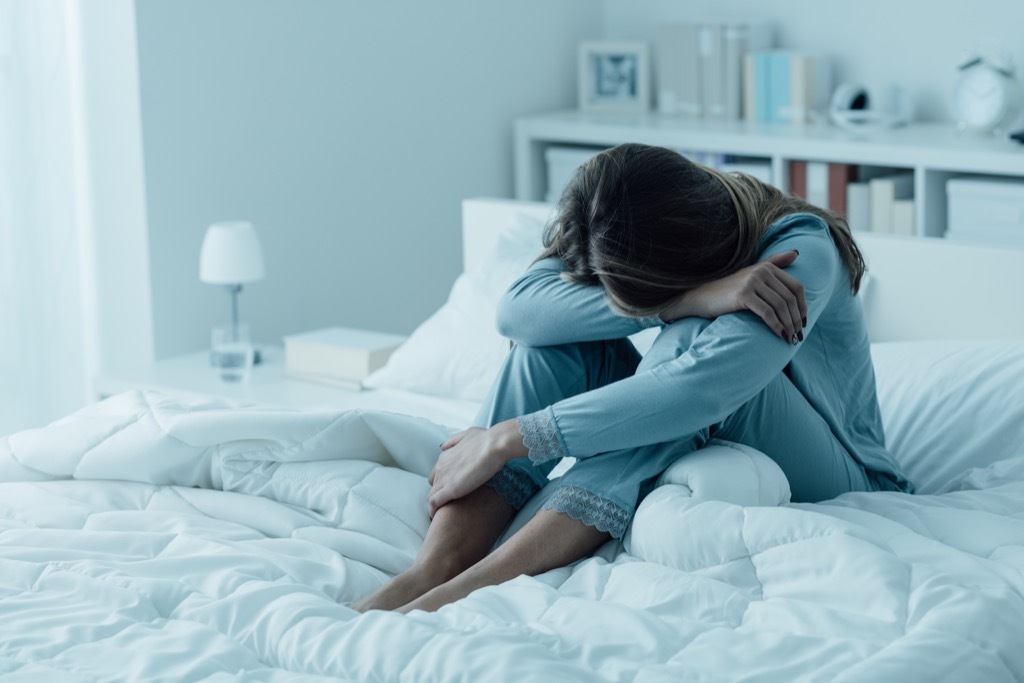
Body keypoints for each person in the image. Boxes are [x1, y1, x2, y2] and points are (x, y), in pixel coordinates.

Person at [352, 143, 911, 614]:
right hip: (702, 366)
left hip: (845, 474)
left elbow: (700, 389)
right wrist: (682, 300)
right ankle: (431, 570)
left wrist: (508, 437)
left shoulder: (799, 250)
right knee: (550, 350)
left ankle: (464, 592)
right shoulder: (622, 214)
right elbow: (517, 311)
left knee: (685, 356)